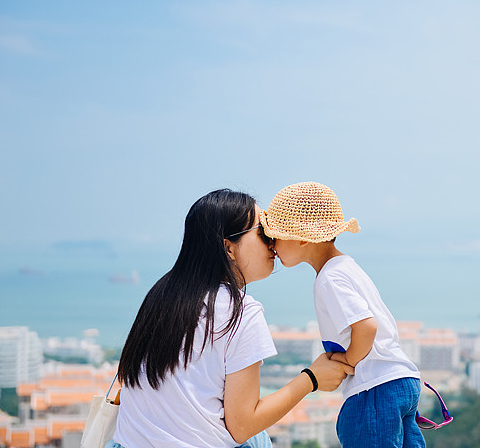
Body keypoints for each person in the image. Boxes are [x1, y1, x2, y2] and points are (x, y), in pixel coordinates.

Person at [108, 189, 353, 448]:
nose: (273, 241)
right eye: (263, 232)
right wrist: (311, 378)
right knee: (257, 440)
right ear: (229, 248)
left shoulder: (161, 295)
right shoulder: (241, 311)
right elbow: (242, 426)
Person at [260, 182, 426, 448]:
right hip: (401, 379)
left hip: (374, 387)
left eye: (275, 237)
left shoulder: (330, 278)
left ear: (303, 238)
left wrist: (348, 360)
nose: (271, 246)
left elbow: (366, 326)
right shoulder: (347, 267)